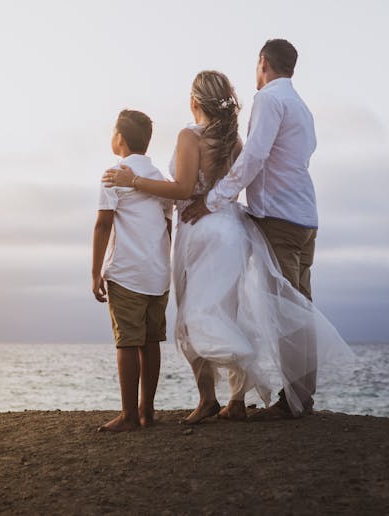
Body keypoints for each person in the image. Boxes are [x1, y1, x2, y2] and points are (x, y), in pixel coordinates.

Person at [104, 67, 352, 423]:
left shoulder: (190, 136)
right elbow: (236, 183)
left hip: (200, 229)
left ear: (194, 101)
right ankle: (235, 400)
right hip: (233, 230)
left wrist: (135, 181)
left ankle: (208, 397)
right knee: (229, 312)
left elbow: (184, 189)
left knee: (192, 317)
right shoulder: (233, 141)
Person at [180, 39, 322, 420]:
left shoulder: (269, 99)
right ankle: (302, 396)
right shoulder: (301, 106)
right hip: (306, 217)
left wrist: (213, 199)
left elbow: (254, 157)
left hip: (280, 219)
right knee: (301, 308)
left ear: (263, 62)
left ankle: (293, 403)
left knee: (286, 310)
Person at [91, 109, 173, 432]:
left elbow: (102, 225)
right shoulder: (159, 179)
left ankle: (128, 415)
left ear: (120, 139)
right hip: (157, 274)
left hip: (126, 272)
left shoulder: (113, 174)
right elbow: (167, 226)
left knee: (126, 342)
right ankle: (146, 412)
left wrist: (95, 272)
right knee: (150, 342)